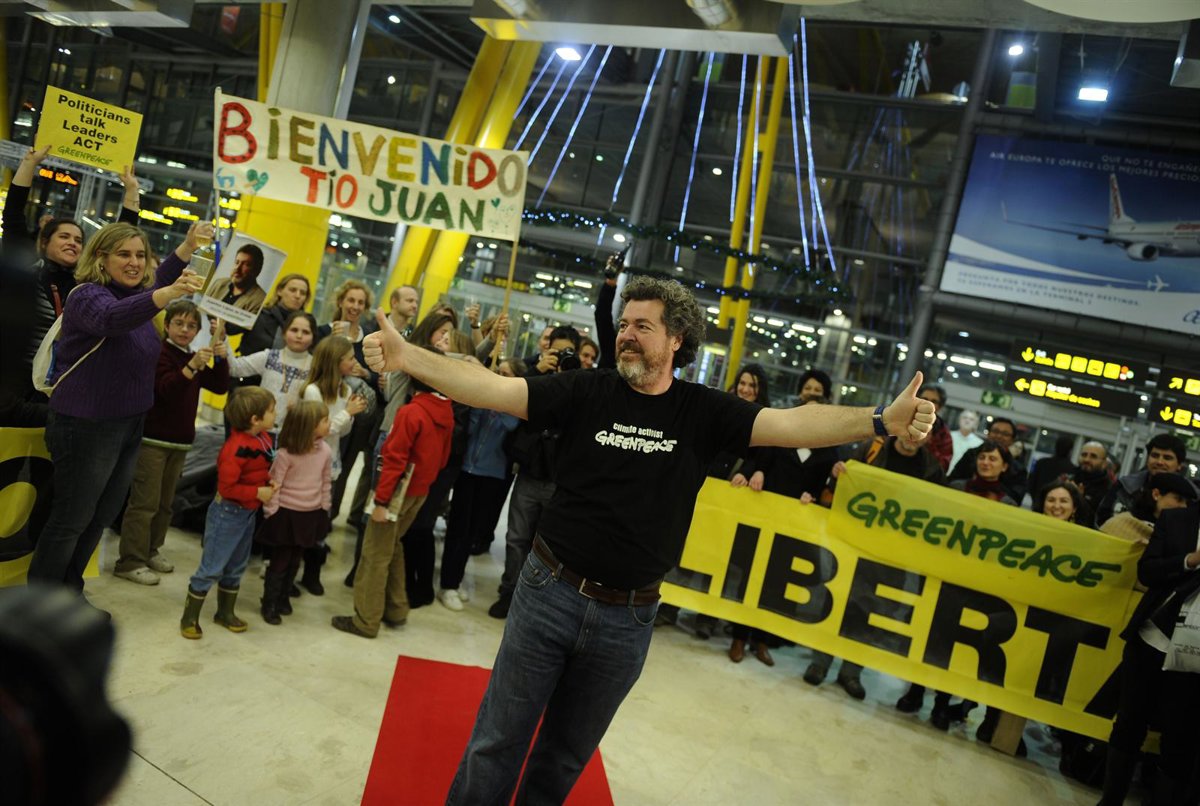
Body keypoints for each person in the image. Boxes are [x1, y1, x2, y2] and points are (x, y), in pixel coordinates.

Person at [362, 275, 934, 803]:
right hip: (547, 592)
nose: (627, 335)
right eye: (624, 324)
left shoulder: (702, 411)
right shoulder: (587, 390)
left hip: (627, 619)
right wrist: (408, 355)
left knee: (563, 759)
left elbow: (790, 424)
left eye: (643, 326)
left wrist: (880, 419)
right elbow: (490, 388)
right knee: (496, 742)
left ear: (676, 340)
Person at [26, 221, 208, 605]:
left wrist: (188, 247)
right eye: (123, 254)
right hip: (86, 425)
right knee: (72, 518)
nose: (134, 262)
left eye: (140, 255)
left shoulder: (137, 295)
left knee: (100, 517)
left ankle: (69, 595)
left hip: (128, 424)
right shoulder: (87, 296)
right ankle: (41, 607)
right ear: (101, 257)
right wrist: (166, 293)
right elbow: (112, 318)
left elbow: (158, 280)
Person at [332, 356, 454, 639]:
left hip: (395, 493)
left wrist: (381, 502)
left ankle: (366, 620)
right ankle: (397, 608)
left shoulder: (410, 412)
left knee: (374, 554)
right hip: (419, 490)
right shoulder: (445, 410)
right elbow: (443, 458)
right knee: (393, 545)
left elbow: (394, 460)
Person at [1096, 484, 1200, 806]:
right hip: (1153, 638)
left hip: (1195, 660)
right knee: (1129, 723)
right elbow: (1148, 571)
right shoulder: (1177, 520)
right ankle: (1110, 800)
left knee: (1180, 740)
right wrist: (1190, 561)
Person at [115, 299, 230, 586]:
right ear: (166, 325)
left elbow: (219, 386)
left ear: (198, 332)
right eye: (179, 323)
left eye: (191, 326)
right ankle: (130, 561)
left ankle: (151, 550)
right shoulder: (160, 353)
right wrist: (192, 366)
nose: (185, 330)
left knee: (165, 505)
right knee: (144, 504)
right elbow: (167, 389)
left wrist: (221, 355)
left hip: (180, 443)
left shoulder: (192, 356)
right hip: (153, 440)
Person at [485, 326, 582, 619]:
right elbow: (514, 401)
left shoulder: (581, 383)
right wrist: (538, 372)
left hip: (558, 480)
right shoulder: (535, 375)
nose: (561, 357)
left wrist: (569, 374)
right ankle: (508, 592)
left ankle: (534, 599)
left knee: (546, 547)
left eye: (567, 352)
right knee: (516, 538)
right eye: (556, 351)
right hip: (529, 473)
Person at [179, 386, 277, 639]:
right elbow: (227, 488)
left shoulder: (263, 438)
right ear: (255, 419)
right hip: (227, 514)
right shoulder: (234, 449)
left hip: (247, 515)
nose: (275, 414)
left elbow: (260, 468)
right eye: (271, 411)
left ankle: (225, 612)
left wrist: (268, 482)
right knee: (212, 566)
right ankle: (189, 618)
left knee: (237, 565)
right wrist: (257, 492)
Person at [296, 335, 367, 595]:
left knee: (322, 522)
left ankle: (311, 573)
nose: (354, 362)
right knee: (302, 520)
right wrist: (347, 413)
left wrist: (349, 414)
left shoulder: (344, 390)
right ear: (335, 361)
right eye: (350, 358)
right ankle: (288, 572)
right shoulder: (313, 391)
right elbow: (319, 430)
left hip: (332, 465)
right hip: (309, 465)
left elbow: (342, 430)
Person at [258, 400, 333, 625]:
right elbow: (274, 484)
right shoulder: (285, 455)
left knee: (296, 558)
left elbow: (326, 482)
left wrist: (324, 507)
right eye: (325, 420)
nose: (329, 424)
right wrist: (271, 512)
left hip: (310, 513)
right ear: (309, 426)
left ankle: (284, 595)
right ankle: (269, 602)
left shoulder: (326, 451)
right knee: (281, 559)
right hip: (286, 513)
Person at [226, 310, 317, 427]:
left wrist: (303, 409)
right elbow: (234, 368)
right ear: (284, 333)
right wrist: (223, 339)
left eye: (306, 332)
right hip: (262, 429)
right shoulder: (269, 356)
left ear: (313, 337)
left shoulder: (317, 366)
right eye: (294, 330)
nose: (299, 336)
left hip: (295, 432)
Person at [1095, 434, 1194, 527]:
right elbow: (1101, 520)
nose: (1159, 462)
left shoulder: (1192, 496)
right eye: (1155, 456)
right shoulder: (1126, 486)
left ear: (1179, 465)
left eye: (1167, 458)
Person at [948, 417, 1027, 503]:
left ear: (1012, 440)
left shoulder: (1019, 470)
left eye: (1005, 434)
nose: (999, 436)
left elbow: (1016, 498)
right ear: (988, 434)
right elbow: (953, 479)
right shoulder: (971, 454)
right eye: (995, 431)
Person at [234, 273, 311, 360]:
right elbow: (231, 329)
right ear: (279, 291)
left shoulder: (307, 326)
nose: (297, 296)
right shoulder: (259, 314)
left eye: (303, 293)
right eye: (292, 290)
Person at [205, 244, 267, 315]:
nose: (237, 268)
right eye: (237, 262)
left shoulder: (260, 300)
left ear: (257, 270)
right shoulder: (219, 283)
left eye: (246, 264)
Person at [1027, 435, 1076, 510]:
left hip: (1038, 504)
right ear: (1070, 450)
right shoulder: (1072, 469)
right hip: (1058, 508)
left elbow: (1031, 484)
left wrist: (1036, 500)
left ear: (1055, 447)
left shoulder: (1041, 463)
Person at [1070, 440, 1112, 520]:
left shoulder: (1108, 489)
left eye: (1093, 456)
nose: (1086, 459)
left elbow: (1099, 520)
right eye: (1084, 455)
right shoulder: (1069, 477)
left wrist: (1079, 499)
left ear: (1104, 463)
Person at [918, 383, 953, 471]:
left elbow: (943, 467)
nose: (928, 404)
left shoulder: (943, 433)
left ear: (940, 407)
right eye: (924, 399)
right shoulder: (903, 419)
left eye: (934, 401)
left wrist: (929, 444)